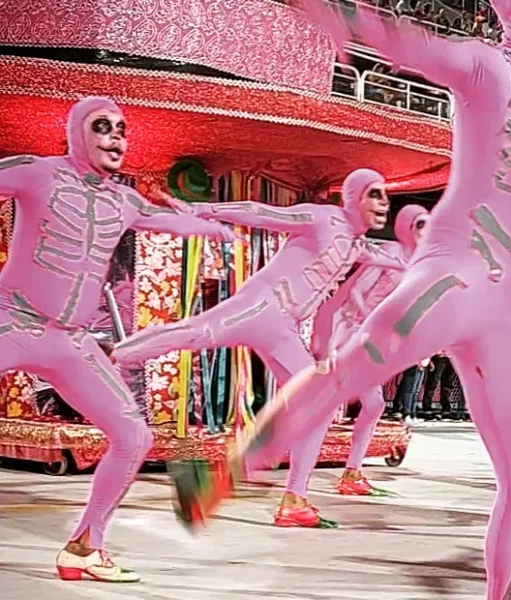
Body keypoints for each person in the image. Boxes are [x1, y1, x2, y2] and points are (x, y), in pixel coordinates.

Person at [168, 0, 511, 597]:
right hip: (459, 271)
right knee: (352, 370)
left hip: (510, 309)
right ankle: (224, 471)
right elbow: (401, 40)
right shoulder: (483, 65)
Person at [0, 96, 235, 582]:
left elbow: (168, 221)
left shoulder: (123, 199)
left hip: (72, 341)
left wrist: (211, 225)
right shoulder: (35, 172)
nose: (115, 138)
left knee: (134, 436)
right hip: (13, 321)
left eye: (122, 129)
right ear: (76, 132)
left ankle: (86, 546)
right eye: (102, 126)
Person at [114, 169, 406, 527]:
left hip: (282, 328)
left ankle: (292, 500)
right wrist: (205, 211)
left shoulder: (360, 246)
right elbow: (262, 213)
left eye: (385, 195)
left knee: (318, 403)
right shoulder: (322, 218)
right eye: (374, 194)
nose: (384, 202)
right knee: (192, 333)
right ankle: (110, 356)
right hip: (261, 307)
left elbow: (401, 260)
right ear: (353, 197)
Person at [318, 204, 430, 494]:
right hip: (352, 331)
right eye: (420, 225)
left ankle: (351, 473)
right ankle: (307, 479)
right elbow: (356, 290)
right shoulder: (390, 252)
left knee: (373, 404)